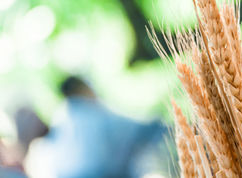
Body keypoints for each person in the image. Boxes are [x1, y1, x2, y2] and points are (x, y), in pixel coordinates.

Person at [25, 76, 166, 178]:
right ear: (82, 89)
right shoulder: (93, 113)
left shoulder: (60, 118)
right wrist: (167, 124)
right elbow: (138, 129)